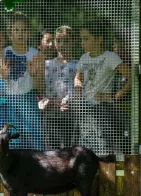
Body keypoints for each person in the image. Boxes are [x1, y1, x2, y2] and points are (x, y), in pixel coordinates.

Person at [72, 19, 132, 154]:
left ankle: (110, 173)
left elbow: (132, 76)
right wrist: (77, 84)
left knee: (104, 145)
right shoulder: (83, 58)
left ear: (99, 39)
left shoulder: (110, 57)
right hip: (86, 108)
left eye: (86, 39)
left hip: (103, 108)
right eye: (81, 39)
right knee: (87, 145)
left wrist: (118, 94)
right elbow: (78, 77)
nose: (82, 43)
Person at [0, 12, 45, 150]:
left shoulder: (37, 56)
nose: (20, 34)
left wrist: (34, 74)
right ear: (10, 33)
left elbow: (42, 89)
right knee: (9, 145)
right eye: (16, 30)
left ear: (29, 33)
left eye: (24, 30)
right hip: (8, 104)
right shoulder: (1, 55)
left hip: (29, 103)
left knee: (34, 146)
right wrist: (3, 76)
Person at [43, 25, 79, 149]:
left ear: (74, 42)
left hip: (71, 116)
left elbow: (80, 91)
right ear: (54, 42)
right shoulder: (46, 65)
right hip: (50, 116)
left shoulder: (78, 66)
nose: (62, 44)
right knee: (52, 151)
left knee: (70, 151)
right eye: (59, 40)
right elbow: (41, 90)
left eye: (66, 40)